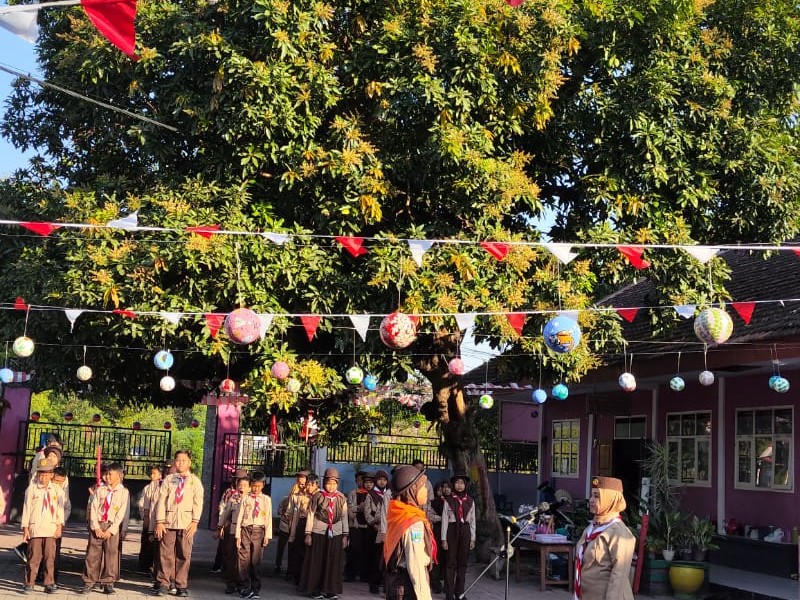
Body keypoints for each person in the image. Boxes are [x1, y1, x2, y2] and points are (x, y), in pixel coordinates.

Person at [574, 476, 635, 600]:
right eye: (591, 495)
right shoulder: (591, 528)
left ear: (610, 499)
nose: (591, 500)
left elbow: (619, 576)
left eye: (597, 496)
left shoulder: (619, 532)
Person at [153, 449, 204, 597]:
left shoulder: (195, 481)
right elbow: (161, 500)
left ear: (189, 463)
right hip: (168, 522)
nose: (180, 463)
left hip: (186, 523)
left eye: (183, 460)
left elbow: (198, 502)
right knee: (165, 554)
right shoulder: (169, 479)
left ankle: (181, 585)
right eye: (178, 460)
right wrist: (160, 521)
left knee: (184, 555)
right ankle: (164, 583)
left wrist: (195, 521)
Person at [383, 464, 436, 600]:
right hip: (408, 586)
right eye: (423, 487)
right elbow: (415, 563)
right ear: (412, 490)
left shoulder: (398, 513)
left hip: (396, 583)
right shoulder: (412, 522)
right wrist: (424, 597)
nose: (426, 490)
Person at [298, 467, 349, 600]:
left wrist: (345, 535)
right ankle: (315, 590)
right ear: (324, 483)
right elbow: (311, 514)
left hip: (336, 533)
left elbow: (344, 517)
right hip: (319, 531)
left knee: (333, 562)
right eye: (328, 483)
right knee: (317, 560)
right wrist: (308, 533)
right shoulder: (318, 496)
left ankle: (331, 590)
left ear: (337, 484)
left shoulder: (341, 498)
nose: (331, 487)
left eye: (334, 484)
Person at [79, 462, 130, 595]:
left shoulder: (124, 492)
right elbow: (94, 508)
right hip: (98, 524)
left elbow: (121, 513)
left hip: (111, 526)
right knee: (92, 554)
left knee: (111, 554)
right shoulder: (100, 490)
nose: (107, 476)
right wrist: (95, 526)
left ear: (119, 476)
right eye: (106, 474)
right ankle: (89, 581)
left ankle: (108, 582)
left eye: (110, 474)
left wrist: (111, 530)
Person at [20, 457, 64, 594]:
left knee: (49, 558)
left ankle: (49, 583)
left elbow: (60, 510)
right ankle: (29, 582)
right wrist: (25, 528)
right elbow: (26, 509)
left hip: (50, 529)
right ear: (37, 474)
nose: (43, 477)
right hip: (36, 528)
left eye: (46, 474)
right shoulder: (32, 489)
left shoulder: (57, 490)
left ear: (51, 475)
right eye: (41, 474)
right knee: (34, 557)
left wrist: (59, 527)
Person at [235, 471, 272, 599]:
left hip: (258, 531)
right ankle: (243, 586)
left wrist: (267, 535)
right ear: (250, 485)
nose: (256, 489)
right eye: (254, 486)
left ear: (263, 485)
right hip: (245, 529)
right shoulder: (246, 498)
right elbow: (240, 517)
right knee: (243, 558)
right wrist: (238, 535)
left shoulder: (266, 500)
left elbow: (268, 518)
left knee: (255, 560)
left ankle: (255, 588)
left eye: (259, 486)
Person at [441, 473, 475, 600]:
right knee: (450, 563)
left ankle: (460, 592)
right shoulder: (449, 501)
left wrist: (473, 538)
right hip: (451, 530)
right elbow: (445, 520)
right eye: (457, 483)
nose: (459, 485)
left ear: (465, 485)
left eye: (462, 483)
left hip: (465, 531)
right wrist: (443, 539)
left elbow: (472, 521)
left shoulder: (470, 501)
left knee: (463, 563)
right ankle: (449, 593)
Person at [220, 475, 249, 595]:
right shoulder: (233, 499)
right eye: (240, 485)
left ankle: (242, 585)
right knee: (231, 558)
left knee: (243, 560)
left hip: (246, 532)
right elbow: (225, 514)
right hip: (233, 530)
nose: (242, 487)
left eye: (245, 485)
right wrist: (220, 527)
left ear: (249, 488)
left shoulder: (252, 500)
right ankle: (231, 584)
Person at [365, 469, 390, 594]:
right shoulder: (371, 494)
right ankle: (373, 583)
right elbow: (367, 512)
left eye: (384, 480)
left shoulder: (390, 493)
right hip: (374, 528)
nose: (382, 482)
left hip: (387, 529)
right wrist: (373, 524)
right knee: (375, 557)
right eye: (379, 479)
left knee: (385, 557)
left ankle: (385, 583)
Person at [287, 472, 314, 584]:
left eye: (304, 483)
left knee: (307, 553)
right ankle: (296, 577)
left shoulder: (314, 495)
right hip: (298, 525)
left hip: (311, 526)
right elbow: (289, 512)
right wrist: (291, 526)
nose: (302, 486)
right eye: (300, 483)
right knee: (297, 552)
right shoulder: (295, 495)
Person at [138, 464, 164, 575]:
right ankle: (145, 566)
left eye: (154, 473)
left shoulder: (163, 486)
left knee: (156, 544)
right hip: (148, 519)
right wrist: (145, 517)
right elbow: (142, 504)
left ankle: (155, 566)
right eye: (151, 473)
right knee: (147, 543)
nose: (152, 475)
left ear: (160, 475)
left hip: (158, 519)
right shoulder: (147, 488)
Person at [426, 481, 450, 594]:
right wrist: (443, 518)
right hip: (436, 532)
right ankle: (435, 583)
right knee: (436, 558)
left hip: (449, 534)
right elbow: (429, 516)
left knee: (447, 560)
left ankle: (447, 584)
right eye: (439, 490)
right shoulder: (433, 503)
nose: (442, 491)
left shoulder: (451, 502)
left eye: (445, 488)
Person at [345, 471, 366, 582]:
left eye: (363, 480)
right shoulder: (352, 493)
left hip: (367, 526)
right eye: (359, 480)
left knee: (364, 551)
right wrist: (359, 508)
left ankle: (363, 574)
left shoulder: (370, 493)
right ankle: (350, 574)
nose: (361, 482)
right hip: (355, 525)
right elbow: (349, 508)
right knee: (353, 550)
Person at [51, 467, 71, 586]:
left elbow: (67, 508)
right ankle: (38, 574)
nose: (58, 484)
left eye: (61, 482)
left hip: (56, 526)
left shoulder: (63, 493)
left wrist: (62, 522)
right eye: (56, 481)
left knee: (54, 552)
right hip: (43, 526)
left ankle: (52, 576)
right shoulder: (44, 489)